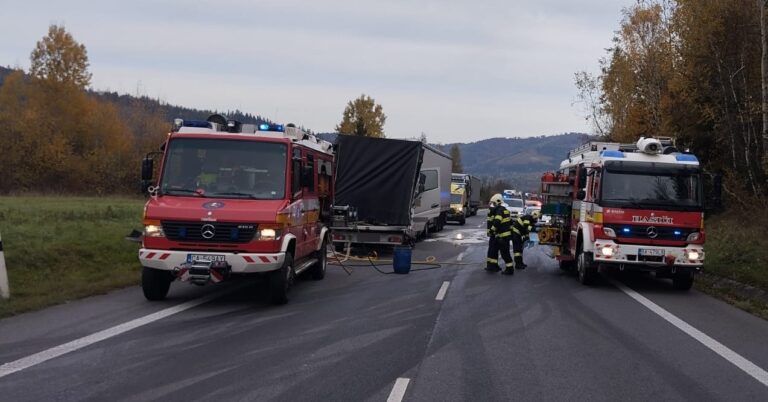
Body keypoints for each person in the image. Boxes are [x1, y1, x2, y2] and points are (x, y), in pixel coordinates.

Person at [486, 194, 515, 275]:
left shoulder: (499, 211)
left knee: (505, 253)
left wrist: (492, 231)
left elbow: (497, 222)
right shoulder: (504, 210)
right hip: (504, 236)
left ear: (498, 202)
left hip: (503, 237)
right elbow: (510, 223)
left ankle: (509, 269)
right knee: (502, 252)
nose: (493, 205)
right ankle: (500, 267)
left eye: (494, 203)